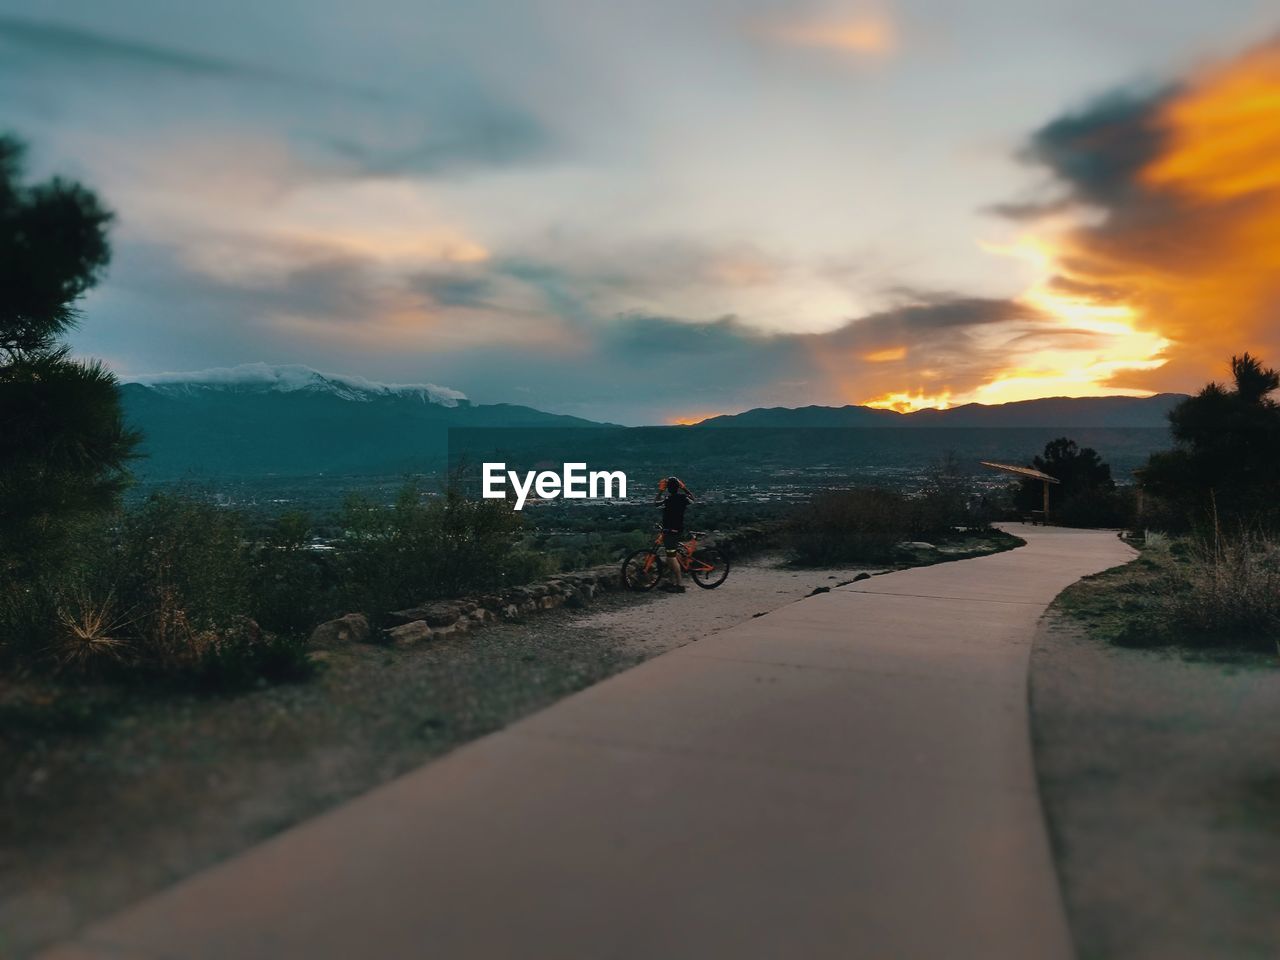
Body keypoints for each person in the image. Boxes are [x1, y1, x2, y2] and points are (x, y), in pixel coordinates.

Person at [654, 476, 694, 592]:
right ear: (678, 487)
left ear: (668, 489)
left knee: (671, 557)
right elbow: (692, 498)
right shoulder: (683, 498)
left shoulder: (668, 499)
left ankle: (680, 585)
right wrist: (684, 488)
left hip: (671, 531)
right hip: (677, 529)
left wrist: (660, 490)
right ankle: (672, 582)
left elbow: (656, 503)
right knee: (671, 557)